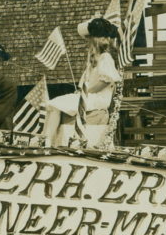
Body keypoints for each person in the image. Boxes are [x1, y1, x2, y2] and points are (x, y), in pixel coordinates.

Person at [43, 16, 122, 149]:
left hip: (98, 99)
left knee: (55, 104)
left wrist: (86, 92)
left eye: (89, 39)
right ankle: (47, 138)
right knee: (52, 106)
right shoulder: (94, 60)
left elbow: (105, 81)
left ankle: (47, 142)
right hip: (89, 96)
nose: (87, 42)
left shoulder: (105, 58)